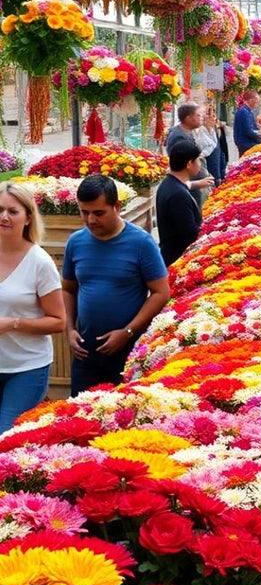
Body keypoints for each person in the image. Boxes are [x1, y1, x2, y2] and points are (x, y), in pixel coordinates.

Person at [62, 174, 169, 396]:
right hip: (85, 352)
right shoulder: (76, 242)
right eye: (84, 212)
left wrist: (128, 331)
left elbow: (161, 292)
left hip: (128, 351)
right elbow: (68, 289)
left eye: (98, 213)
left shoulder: (141, 243)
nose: (91, 220)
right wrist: (70, 329)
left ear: (117, 207)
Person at [0, 184, 65, 432]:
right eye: (0, 209)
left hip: (26, 368)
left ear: (28, 218)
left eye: (13, 211)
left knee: (6, 437)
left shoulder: (39, 262)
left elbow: (58, 321)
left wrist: (13, 323)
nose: (4, 217)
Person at [156, 141, 205, 267]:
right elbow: (189, 234)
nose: (200, 164)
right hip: (178, 260)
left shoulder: (169, 184)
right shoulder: (178, 194)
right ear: (189, 163)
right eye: (198, 160)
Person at [165, 103, 214, 208]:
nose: (201, 118)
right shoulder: (179, 138)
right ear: (188, 118)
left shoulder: (188, 132)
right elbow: (180, 170)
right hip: (191, 189)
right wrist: (197, 183)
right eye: (198, 115)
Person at [192, 105, 221, 190]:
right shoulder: (199, 131)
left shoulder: (213, 131)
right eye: (209, 115)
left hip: (216, 169)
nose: (213, 118)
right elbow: (206, 149)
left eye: (214, 115)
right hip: (207, 170)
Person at [234, 90, 261, 157]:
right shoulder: (244, 111)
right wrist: (260, 134)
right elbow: (248, 131)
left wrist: (257, 127)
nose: (257, 104)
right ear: (251, 100)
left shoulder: (247, 110)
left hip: (245, 142)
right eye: (256, 101)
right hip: (246, 143)